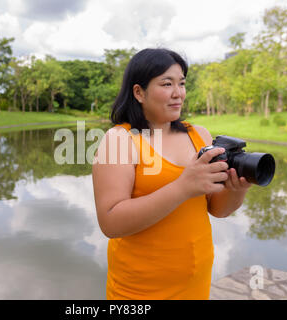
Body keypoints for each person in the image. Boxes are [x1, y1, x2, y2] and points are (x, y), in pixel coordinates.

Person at [92, 48, 252, 300]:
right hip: (139, 291)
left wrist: (238, 187)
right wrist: (183, 187)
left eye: (182, 83)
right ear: (139, 92)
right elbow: (110, 222)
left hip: (196, 282)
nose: (178, 93)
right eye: (167, 84)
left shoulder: (199, 135)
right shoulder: (119, 140)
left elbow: (218, 209)